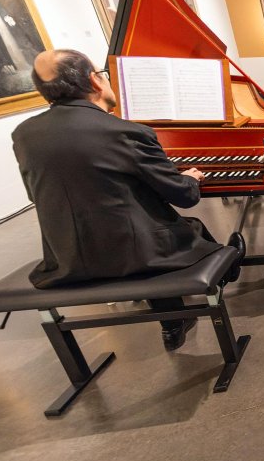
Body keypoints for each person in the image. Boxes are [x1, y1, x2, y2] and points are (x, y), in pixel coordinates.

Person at [13, 49, 223, 350]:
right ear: (95, 81)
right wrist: (190, 176)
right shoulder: (126, 132)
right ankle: (210, 284)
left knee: (133, 222)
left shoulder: (24, 134)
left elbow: (36, 194)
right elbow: (184, 196)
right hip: (137, 257)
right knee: (181, 227)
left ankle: (173, 322)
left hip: (67, 259)